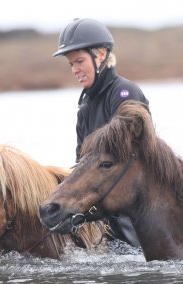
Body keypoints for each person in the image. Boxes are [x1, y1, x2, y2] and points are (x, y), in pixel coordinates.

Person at [53, 18, 149, 247]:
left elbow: (125, 159)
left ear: (101, 55)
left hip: (134, 200)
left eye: (79, 61)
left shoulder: (126, 92)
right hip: (103, 199)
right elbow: (81, 162)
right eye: (71, 64)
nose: (75, 70)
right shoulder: (84, 108)